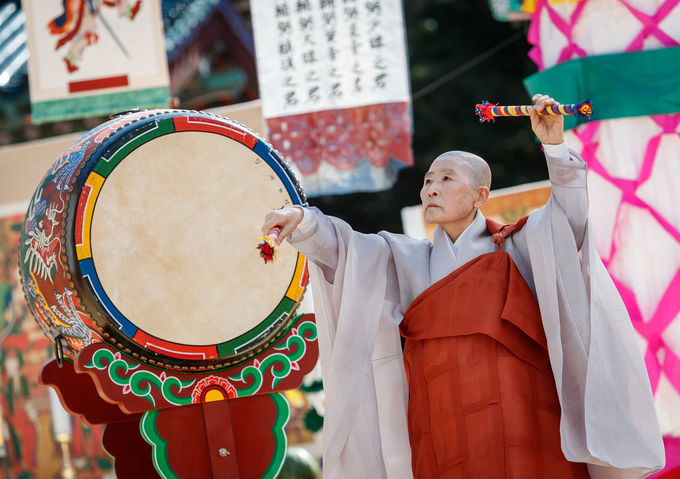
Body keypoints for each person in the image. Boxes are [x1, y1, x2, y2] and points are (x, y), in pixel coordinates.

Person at [262, 95, 664, 478]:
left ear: (480, 195)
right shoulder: (407, 259)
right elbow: (347, 249)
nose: (431, 188)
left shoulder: (518, 245)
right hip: (439, 416)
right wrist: (304, 221)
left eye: (446, 179)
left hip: (519, 408)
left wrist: (555, 148)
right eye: (427, 180)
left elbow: (568, 220)